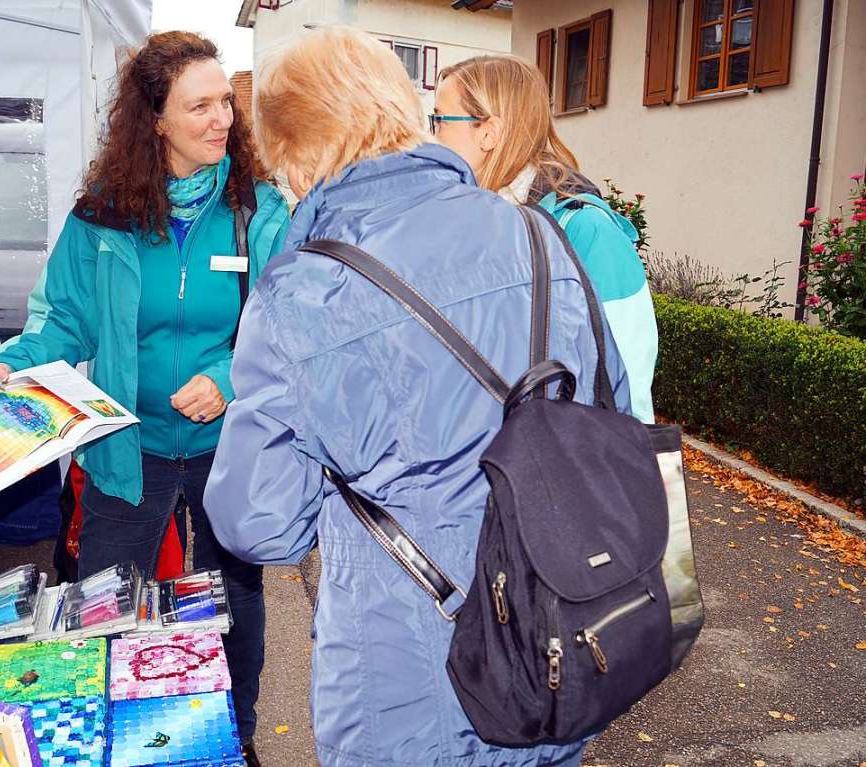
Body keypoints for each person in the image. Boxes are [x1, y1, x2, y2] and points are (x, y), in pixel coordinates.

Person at [204, 27, 631, 767]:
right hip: (559, 639)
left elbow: (259, 522)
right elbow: (610, 410)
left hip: (407, 675)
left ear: (300, 156)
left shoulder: (306, 290)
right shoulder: (539, 235)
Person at [0, 31, 289, 766]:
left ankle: (235, 734)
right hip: (128, 448)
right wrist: (17, 364)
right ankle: (114, 738)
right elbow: (62, 316)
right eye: (200, 105)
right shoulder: (103, 216)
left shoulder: (259, 208)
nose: (223, 117)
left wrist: (226, 376)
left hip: (229, 447)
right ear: (154, 119)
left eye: (225, 102)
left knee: (236, 602)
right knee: (104, 601)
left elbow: (285, 318)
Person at [433, 55, 657, 424]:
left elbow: (628, 385)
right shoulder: (479, 223)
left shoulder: (587, 230)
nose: (433, 136)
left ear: (489, 132)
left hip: (567, 466)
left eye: (441, 120)